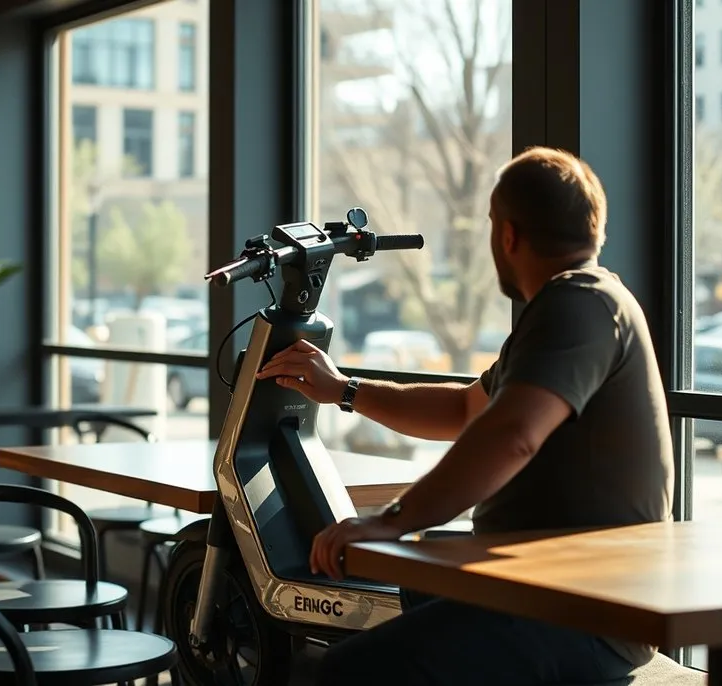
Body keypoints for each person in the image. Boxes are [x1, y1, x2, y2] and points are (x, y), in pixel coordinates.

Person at [257, 146, 674, 686]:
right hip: (547, 587)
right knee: (415, 587)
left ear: (508, 236)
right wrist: (343, 389)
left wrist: (393, 520)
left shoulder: (580, 303)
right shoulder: (572, 308)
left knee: (346, 671)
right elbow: (464, 408)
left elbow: (514, 435)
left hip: (581, 611)